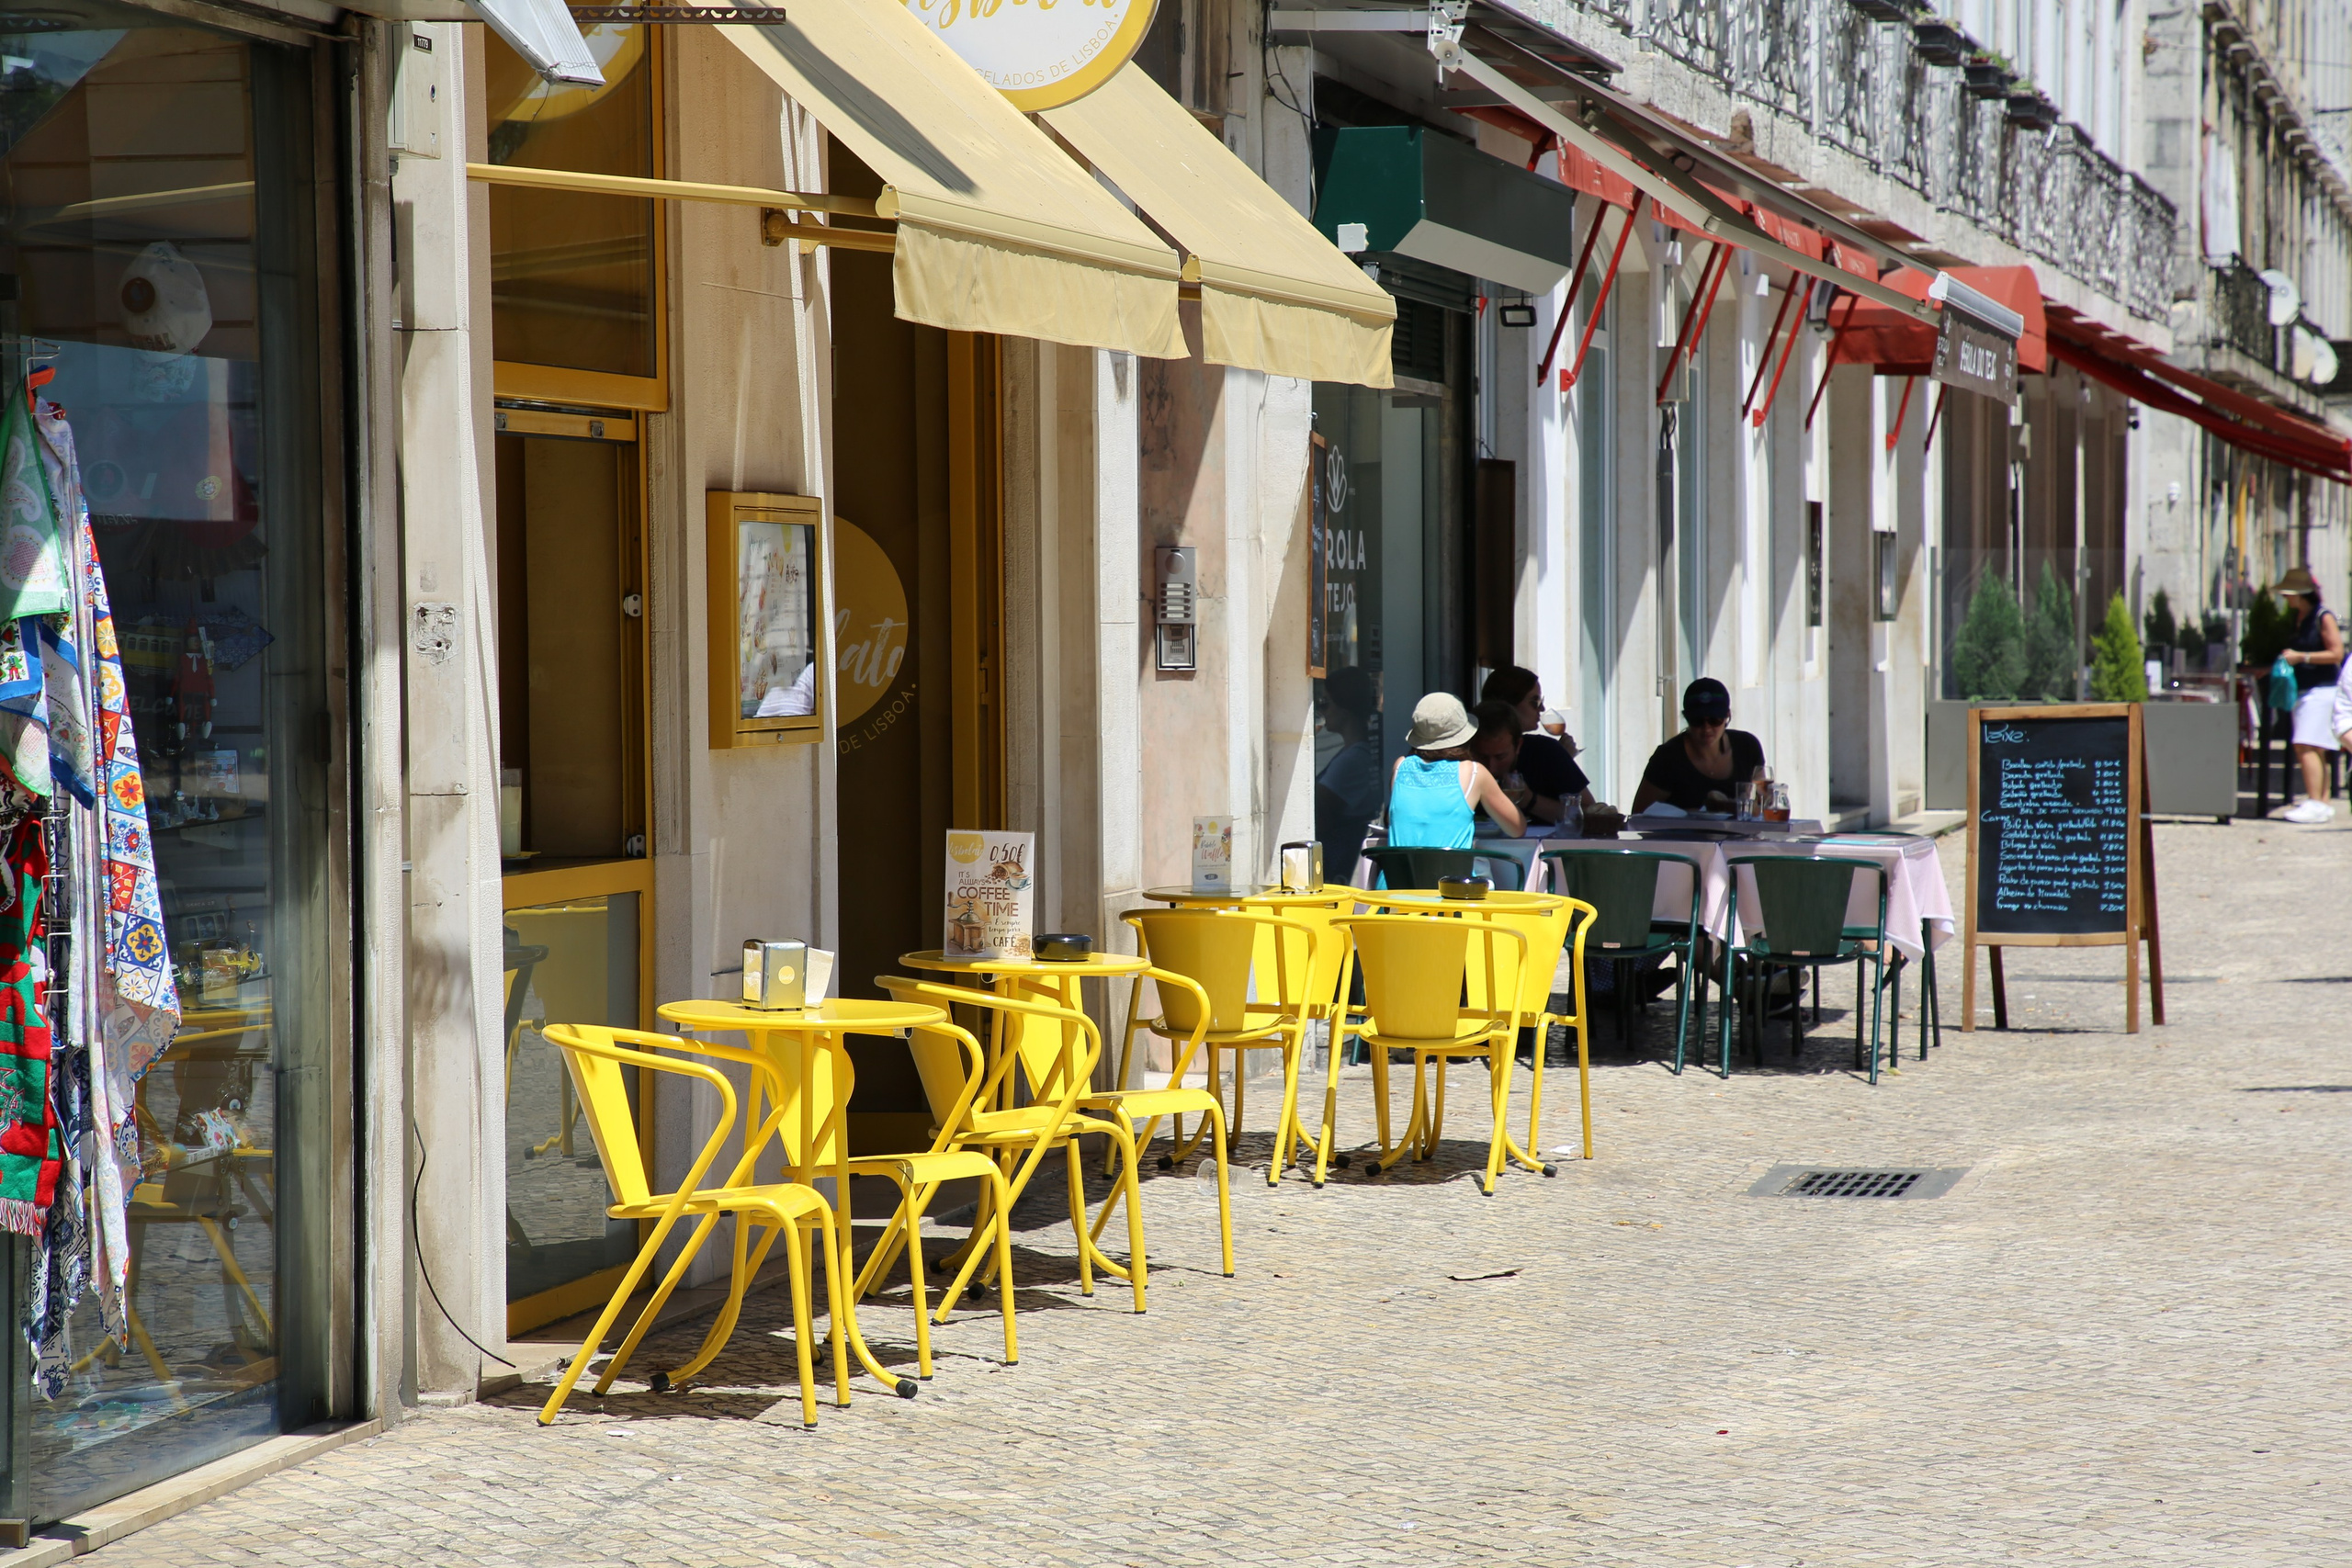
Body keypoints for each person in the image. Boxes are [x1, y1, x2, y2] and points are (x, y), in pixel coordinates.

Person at [1386, 692, 1523, 848]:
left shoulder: (1400, 767)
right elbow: (1517, 829)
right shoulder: (1473, 773)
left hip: (1397, 873)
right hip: (1453, 872)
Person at [1478, 666, 1603, 826]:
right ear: (1509, 704)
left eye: (1500, 756)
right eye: (1535, 702)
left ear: (1518, 746)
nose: (1542, 708)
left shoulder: (1544, 751)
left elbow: (1590, 813)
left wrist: (1529, 799)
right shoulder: (1545, 751)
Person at [1633, 678, 1767, 814]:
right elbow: (1639, 815)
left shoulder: (1747, 747)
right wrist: (1690, 816)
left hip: (1739, 834)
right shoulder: (1668, 757)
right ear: (1686, 719)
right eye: (1697, 721)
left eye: (1714, 720)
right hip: (1680, 835)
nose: (1706, 728)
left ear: (1727, 716)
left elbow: (1763, 802)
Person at [2276, 566, 2343, 825]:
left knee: (2304, 744)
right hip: (2307, 688)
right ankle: (2322, 801)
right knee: (2315, 746)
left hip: (2321, 688)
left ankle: (2315, 801)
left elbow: (2336, 653)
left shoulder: (2322, 617)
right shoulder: (2300, 618)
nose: (2285, 598)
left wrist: (2301, 657)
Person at [1314, 666, 1385, 862]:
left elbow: (1318, 816)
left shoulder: (1352, 761)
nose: (1321, 710)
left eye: (1325, 703)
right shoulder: (1361, 752)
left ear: (1344, 705)